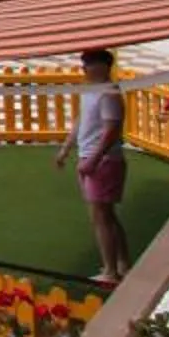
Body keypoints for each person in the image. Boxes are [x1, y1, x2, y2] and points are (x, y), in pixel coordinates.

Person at [55, 46, 131, 283]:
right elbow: (81, 120)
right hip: (90, 157)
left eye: (88, 64)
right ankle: (121, 263)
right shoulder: (91, 91)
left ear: (101, 66)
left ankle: (111, 270)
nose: (84, 69)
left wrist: (93, 160)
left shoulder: (109, 94)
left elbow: (111, 130)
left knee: (101, 216)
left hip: (103, 161)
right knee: (105, 214)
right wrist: (66, 148)